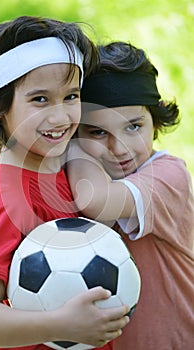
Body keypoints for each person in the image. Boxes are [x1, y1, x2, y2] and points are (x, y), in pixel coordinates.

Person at [0, 18, 130, 350]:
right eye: (40, 100)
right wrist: (61, 325)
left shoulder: (64, 159)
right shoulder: (9, 202)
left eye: (71, 97)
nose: (60, 117)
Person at [67, 41, 194, 350]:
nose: (120, 148)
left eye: (134, 127)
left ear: (156, 120)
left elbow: (95, 202)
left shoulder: (168, 176)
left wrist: (67, 146)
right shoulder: (83, 174)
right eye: (98, 132)